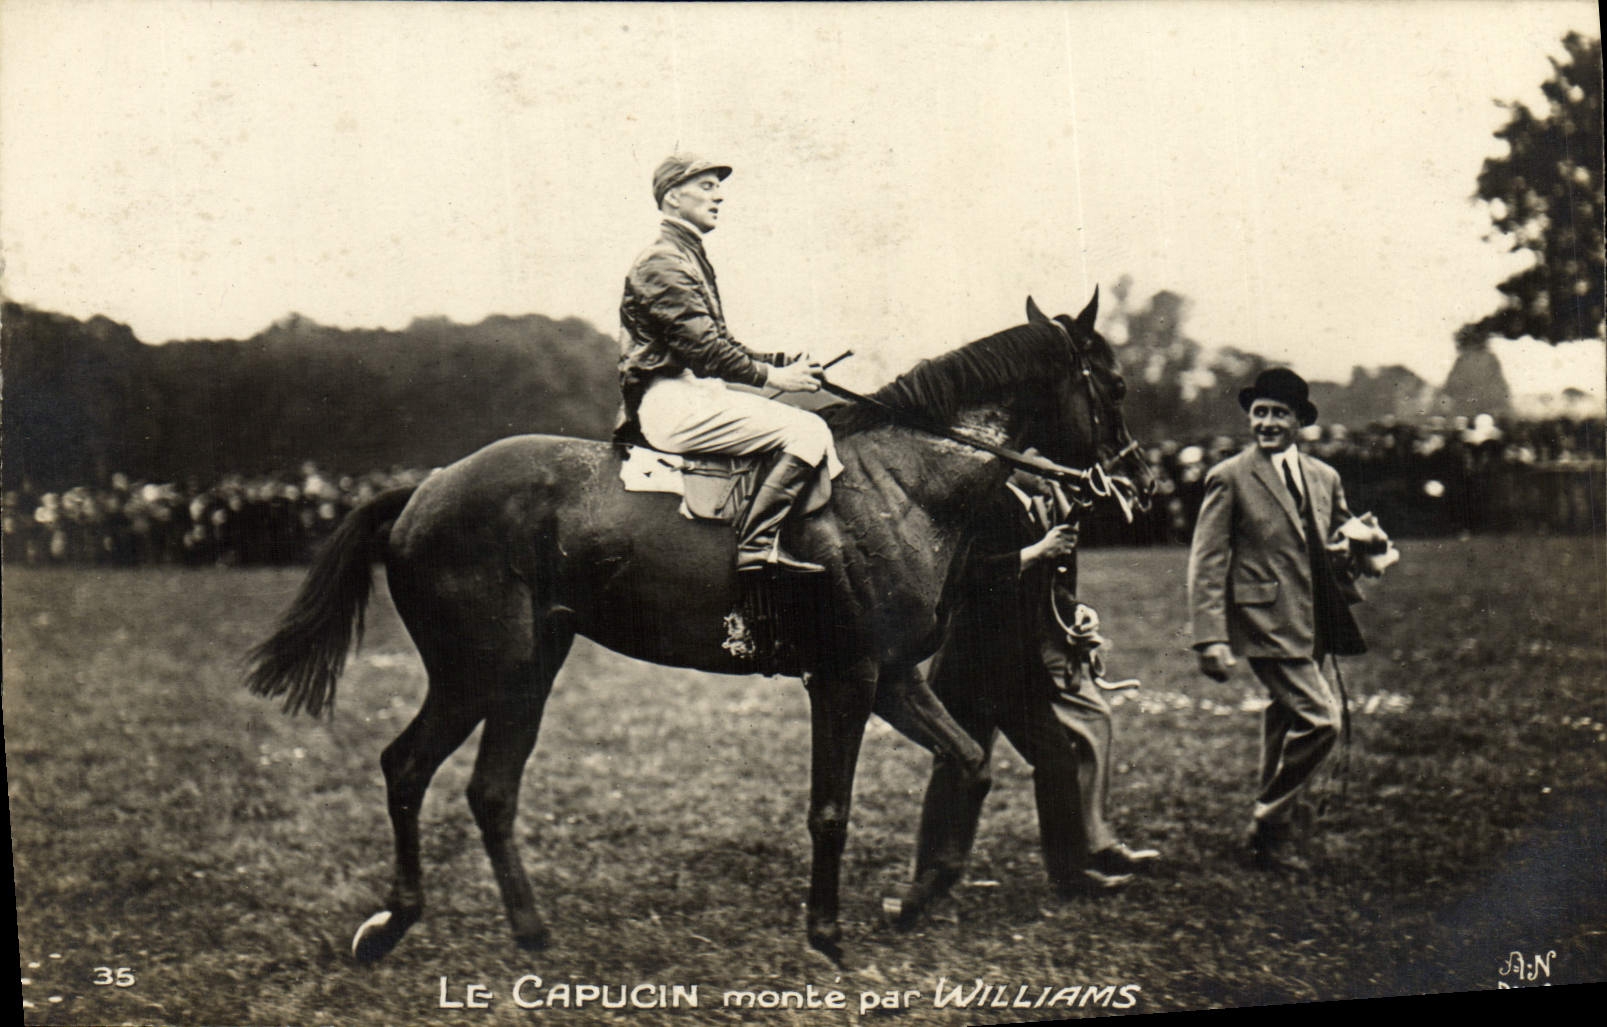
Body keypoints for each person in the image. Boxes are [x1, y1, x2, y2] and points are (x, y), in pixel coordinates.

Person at [909, 466, 1159, 904]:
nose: (1054, 471)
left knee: (1057, 761)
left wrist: (1072, 611)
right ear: (1016, 458)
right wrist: (1036, 552)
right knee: (958, 771)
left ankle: (1070, 875)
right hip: (970, 667)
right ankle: (928, 882)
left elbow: (1044, 588)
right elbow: (961, 574)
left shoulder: (1033, 507)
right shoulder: (982, 500)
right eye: (1042, 459)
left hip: (1015, 669)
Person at [617, 154, 840, 573]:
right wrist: (776, 377)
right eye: (705, 186)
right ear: (671, 197)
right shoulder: (664, 260)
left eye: (718, 187)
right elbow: (706, 352)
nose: (718, 195)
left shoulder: (687, 254)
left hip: (692, 393)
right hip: (672, 400)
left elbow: (718, 342)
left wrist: (780, 361)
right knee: (809, 429)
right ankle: (756, 548)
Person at [1186, 367, 1368, 872]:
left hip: (1313, 618)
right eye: (1259, 413)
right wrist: (1209, 637)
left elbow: (1335, 540)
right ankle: (1269, 817)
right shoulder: (1229, 476)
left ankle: (1267, 840)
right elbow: (1207, 560)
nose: (1266, 423)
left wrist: (1356, 549)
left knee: (1285, 720)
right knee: (1321, 721)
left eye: (1278, 414)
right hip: (1263, 621)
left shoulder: (1324, 477)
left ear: (1298, 421)